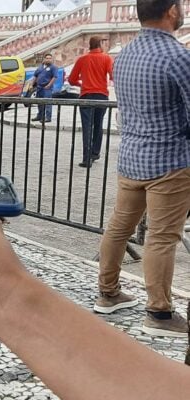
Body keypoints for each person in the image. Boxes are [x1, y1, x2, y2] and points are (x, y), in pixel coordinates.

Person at [94, 0, 190, 337]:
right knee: (162, 237)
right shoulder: (178, 56)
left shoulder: (125, 56)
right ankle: (159, 315)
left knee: (119, 227)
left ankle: (108, 294)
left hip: (132, 158)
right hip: (170, 162)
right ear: (171, 12)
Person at [68, 36, 114, 168]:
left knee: (87, 127)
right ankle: (95, 152)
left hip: (86, 95)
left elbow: (71, 79)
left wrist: (81, 84)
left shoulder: (82, 59)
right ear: (100, 45)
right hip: (101, 95)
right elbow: (112, 75)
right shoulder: (106, 58)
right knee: (98, 125)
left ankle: (86, 158)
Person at [31, 53, 57, 123]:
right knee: (39, 102)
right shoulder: (40, 67)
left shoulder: (53, 67)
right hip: (39, 87)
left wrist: (49, 85)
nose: (48, 60)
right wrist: (31, 85)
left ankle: (48, 117)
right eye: (47, 58)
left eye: (50, 58)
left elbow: (54, 77)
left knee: (48, 102)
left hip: (47, 88)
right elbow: (35, 76)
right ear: (44, 59)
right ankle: (40, 116)